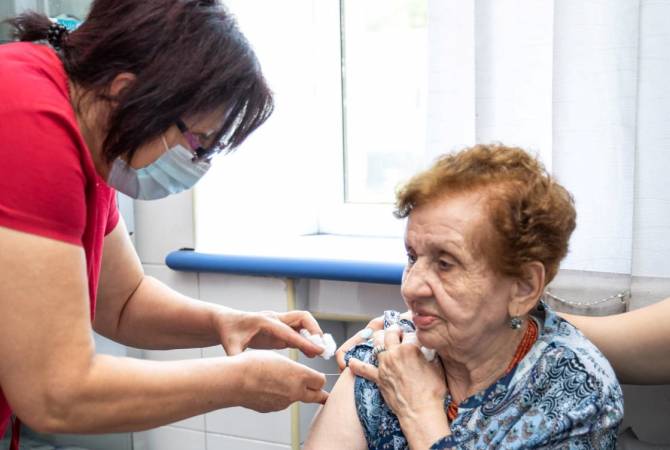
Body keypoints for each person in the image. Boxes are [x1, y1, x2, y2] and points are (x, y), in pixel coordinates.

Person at [0, 0, 329, 445]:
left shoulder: (90, 136)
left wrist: (226, 322)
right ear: (124, 92)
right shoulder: (27, 120)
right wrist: (238, 384)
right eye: (197, 143)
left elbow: (121, 301)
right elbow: (57, 392)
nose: (195, 163)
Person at [306, 144, 624, 449]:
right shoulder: (388, 356)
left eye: (445, 264)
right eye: (412, 257)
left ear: (524, 287)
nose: (411, 288)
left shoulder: (575, 395)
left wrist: (419, 412)